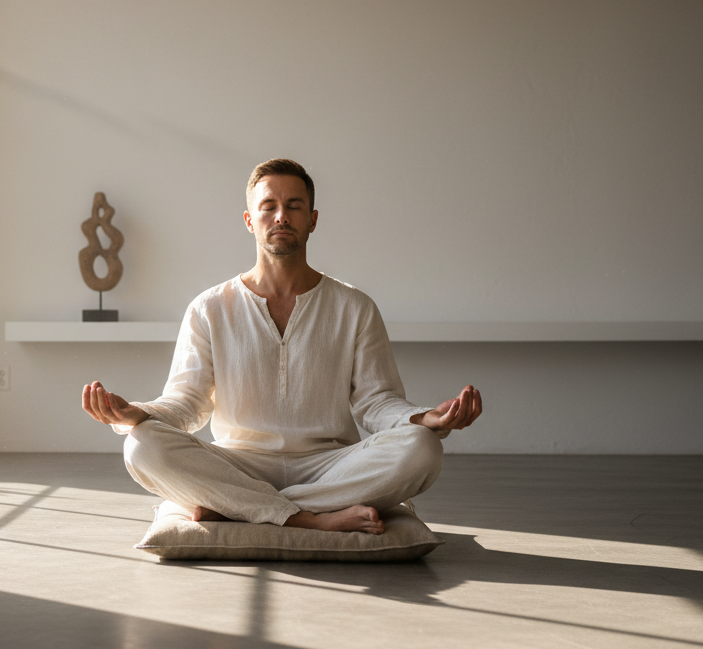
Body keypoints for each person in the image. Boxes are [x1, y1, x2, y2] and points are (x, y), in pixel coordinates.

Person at [81, 158, 482, 535]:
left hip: (330, 466)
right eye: (268, 205)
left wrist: (424, 418)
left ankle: (240, 507)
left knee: (422, 449)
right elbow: (187, 404)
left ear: (312, 220)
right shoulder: (208, 308)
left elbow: (377, 403)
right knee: (141, 445)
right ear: (249, 221)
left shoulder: (354, 307)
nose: (280, 216)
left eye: (294, 206)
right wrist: (137, 413)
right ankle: (308, 518)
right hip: (238, 461)